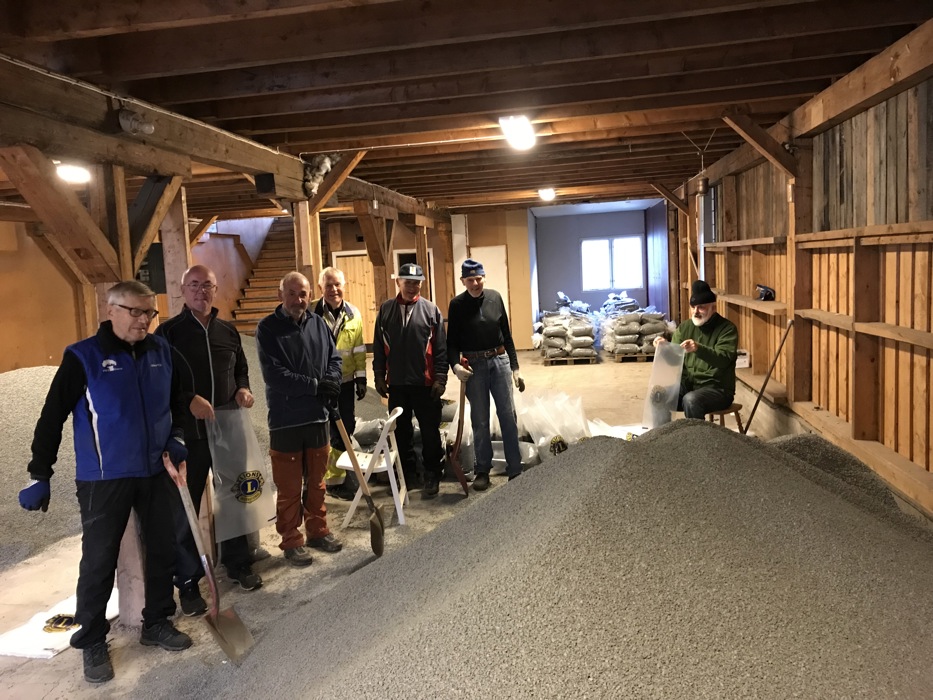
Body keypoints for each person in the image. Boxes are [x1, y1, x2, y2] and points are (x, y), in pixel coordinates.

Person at [18, 280, 192, 685]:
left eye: (150, 312)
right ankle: (92, 638)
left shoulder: (161, 351)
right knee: (99, 558)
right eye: (135, 311)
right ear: (110, 310)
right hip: (103, 477)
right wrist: (39, 473)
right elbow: (52, 416)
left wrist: (178, 436)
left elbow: (179, 400)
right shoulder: (83, 356)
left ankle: (157, 621)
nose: (144, 320)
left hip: (155, 469)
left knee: (162, 547)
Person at [155, 265, 261, 612]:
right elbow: (160, 381)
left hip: (228, 430)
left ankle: (237, 562)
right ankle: (188, 582)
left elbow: (241, 369)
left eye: (207, 286)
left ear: (216, 290)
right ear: (183, 290)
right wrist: (188, 399)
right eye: (194, 285)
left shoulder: (228, 331)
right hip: (188, 436)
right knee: (184, 508)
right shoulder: (167, 333)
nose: (201, 291)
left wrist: (243, 389)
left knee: (234, 498)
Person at [256, 271, 344, 567]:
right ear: (281, 295)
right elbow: (274, 375)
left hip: (318, 417)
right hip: (286, 420)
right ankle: (292, 539)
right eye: (292, 294)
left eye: (303, 294)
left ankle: (318, 531)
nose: (298, 300)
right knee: (290, 486)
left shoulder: (318, 324)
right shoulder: (268, 329)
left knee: (317, 482)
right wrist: (316, 386)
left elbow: (335, 359)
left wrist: (332, 381)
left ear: (310, 295)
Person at [447, 258, 525, 491]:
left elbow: (507, 335)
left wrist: (515, 367)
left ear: (484, 278)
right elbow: (452, 342)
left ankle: (515, 468)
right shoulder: (457, 305)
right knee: (480, 420)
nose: (475, 283)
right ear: (463, 281)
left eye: (478, 278)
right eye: (470, 280)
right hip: (474, 367)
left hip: (499, 361)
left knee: (507, 416)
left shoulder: (495, 298)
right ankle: (483, 470)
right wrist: (455, 366)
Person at [372, 263, 448, 499]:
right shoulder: (386, 310)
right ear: (398, 282)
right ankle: (407, 474)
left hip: (425, 385)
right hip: (397, 384)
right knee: (401, 433)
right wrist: (378, 374)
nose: (412, 286)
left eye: (416, 282)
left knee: (430, 432)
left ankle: (432, 473)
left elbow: (440, 348)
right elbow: (378, 346)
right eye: (407, 282)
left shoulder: (431, 311)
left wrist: (441, 377)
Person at [312, 266, 367, 501]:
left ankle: (337, 478)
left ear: (344, 286)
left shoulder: (354, 313)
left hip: (344, 383)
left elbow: (359, 349)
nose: (333, 289)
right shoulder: (311, 313)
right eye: (328, 285)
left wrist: (361, 378)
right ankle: (324, 480)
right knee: (321, 431)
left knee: (346, 428)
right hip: (319, 385)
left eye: (337, 284)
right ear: (320, 288)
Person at [653, 279, 738, 419]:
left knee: (691, 400)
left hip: (718, 389)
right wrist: (664, 348)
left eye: (701, 307)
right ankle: (663, 433)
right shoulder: (685, 327)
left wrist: (698, 349)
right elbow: (674, 360)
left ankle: (697, 434)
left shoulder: (727, 329)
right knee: (659, 395)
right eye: (693, 307)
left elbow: (723, 360)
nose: (696, 311)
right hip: (689, 385)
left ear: (713, 307)